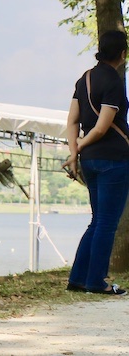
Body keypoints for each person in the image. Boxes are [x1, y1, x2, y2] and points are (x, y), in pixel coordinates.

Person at [63, 29, 129, 295]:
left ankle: (78, 279)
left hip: (90, 161)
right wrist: (79, 147)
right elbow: (101, 128)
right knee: (106, 223)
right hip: (113, 159)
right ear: (123, 54)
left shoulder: (85, 79)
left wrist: (75, 152)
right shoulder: (114, 81)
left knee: (96, 220)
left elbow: (72, 121)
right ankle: (96, 282)